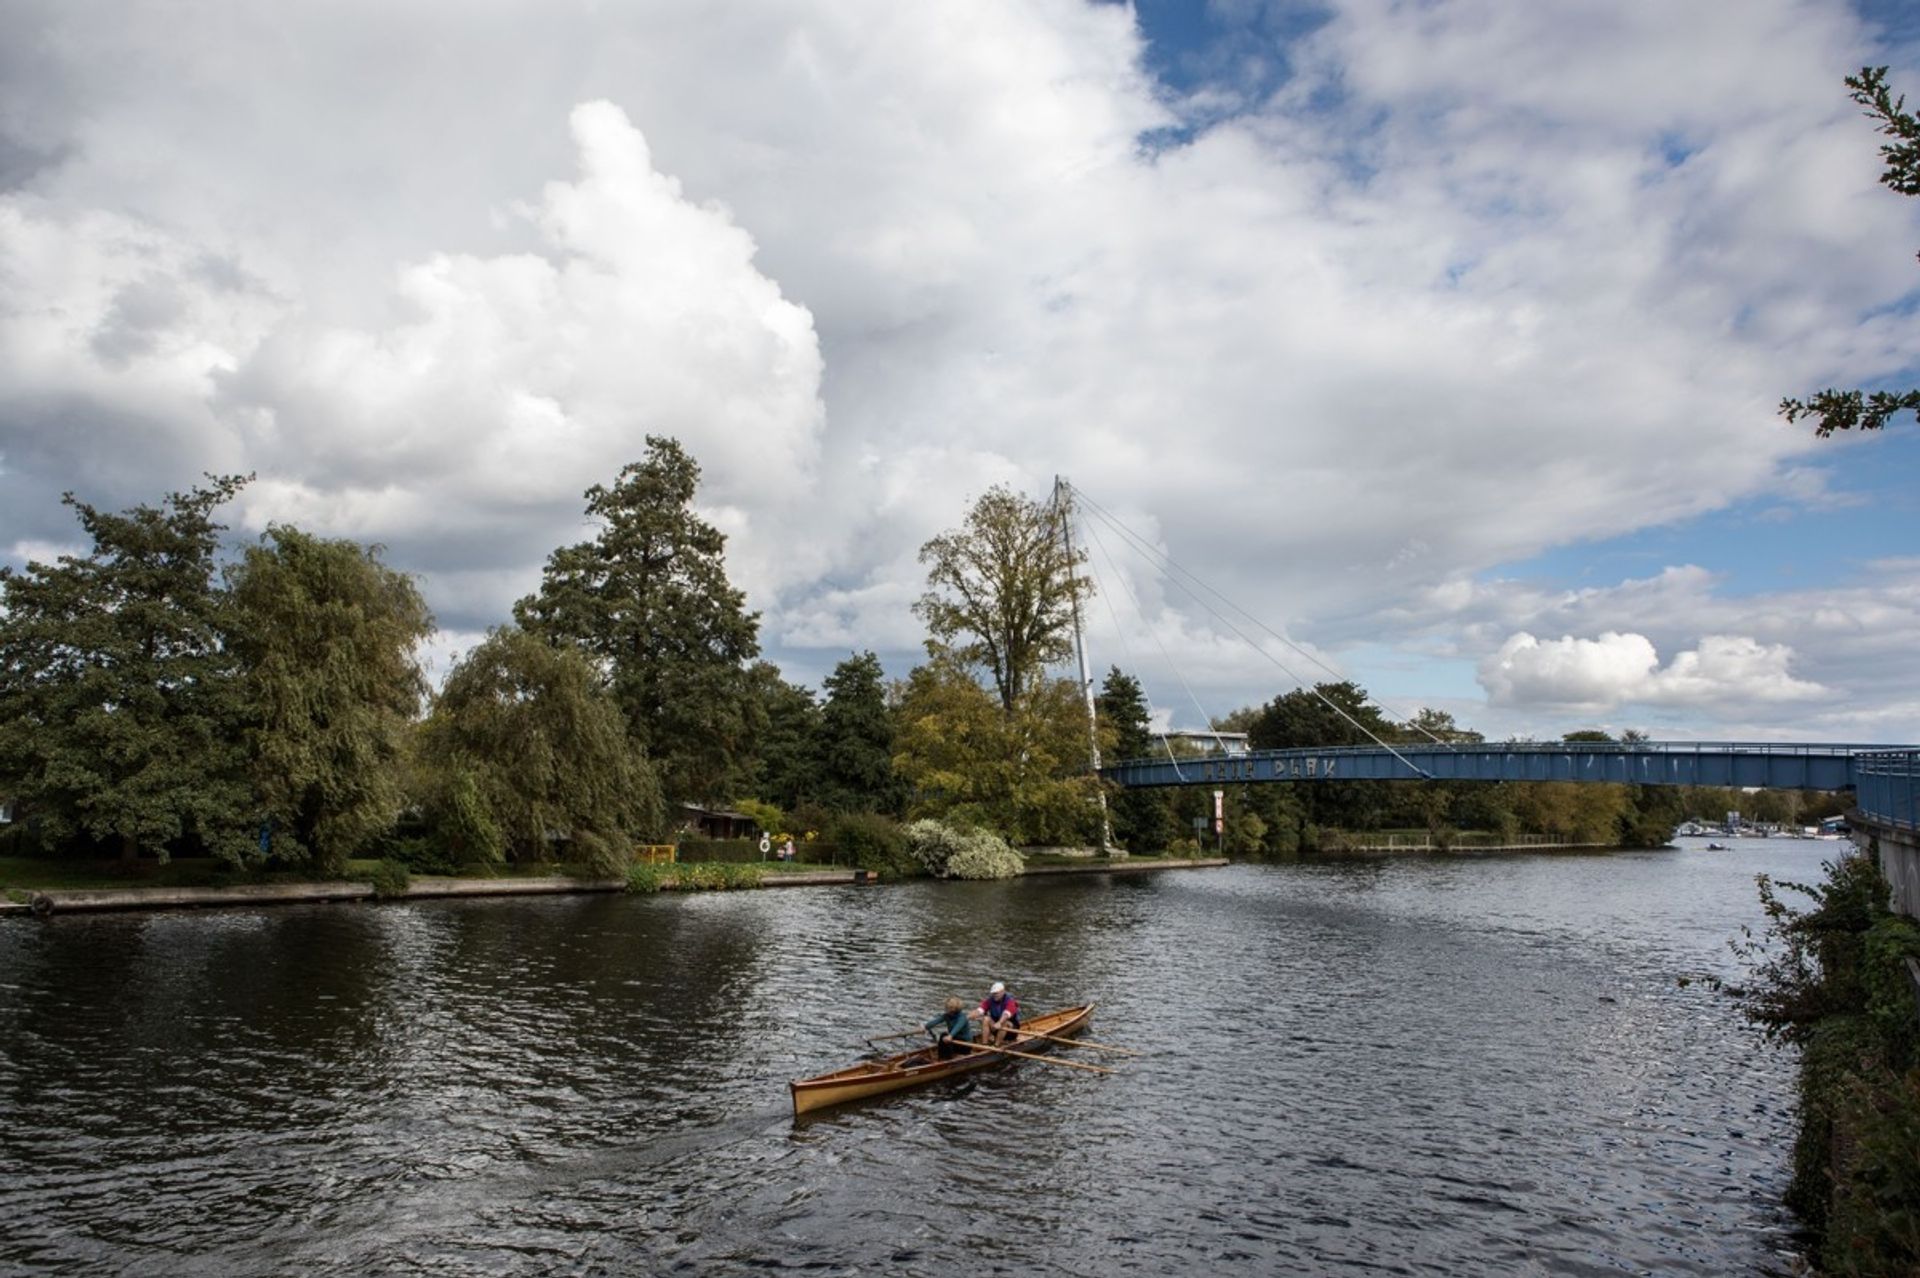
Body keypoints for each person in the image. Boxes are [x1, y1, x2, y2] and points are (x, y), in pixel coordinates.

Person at [978, 981, 1020, 1046]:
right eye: (993, 993)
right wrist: (968, 1017)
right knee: (986, 1019)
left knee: (1004, 1022)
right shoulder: (990, 1000)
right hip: (995, 1028)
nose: (994, 995)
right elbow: (980, 1010)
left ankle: (996, 1045)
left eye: (996, 993)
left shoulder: (1010, 1001)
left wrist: (999, 1023)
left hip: (1011, 1032)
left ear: (1003, 992)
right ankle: (984, 1044)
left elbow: (1006, 1014)